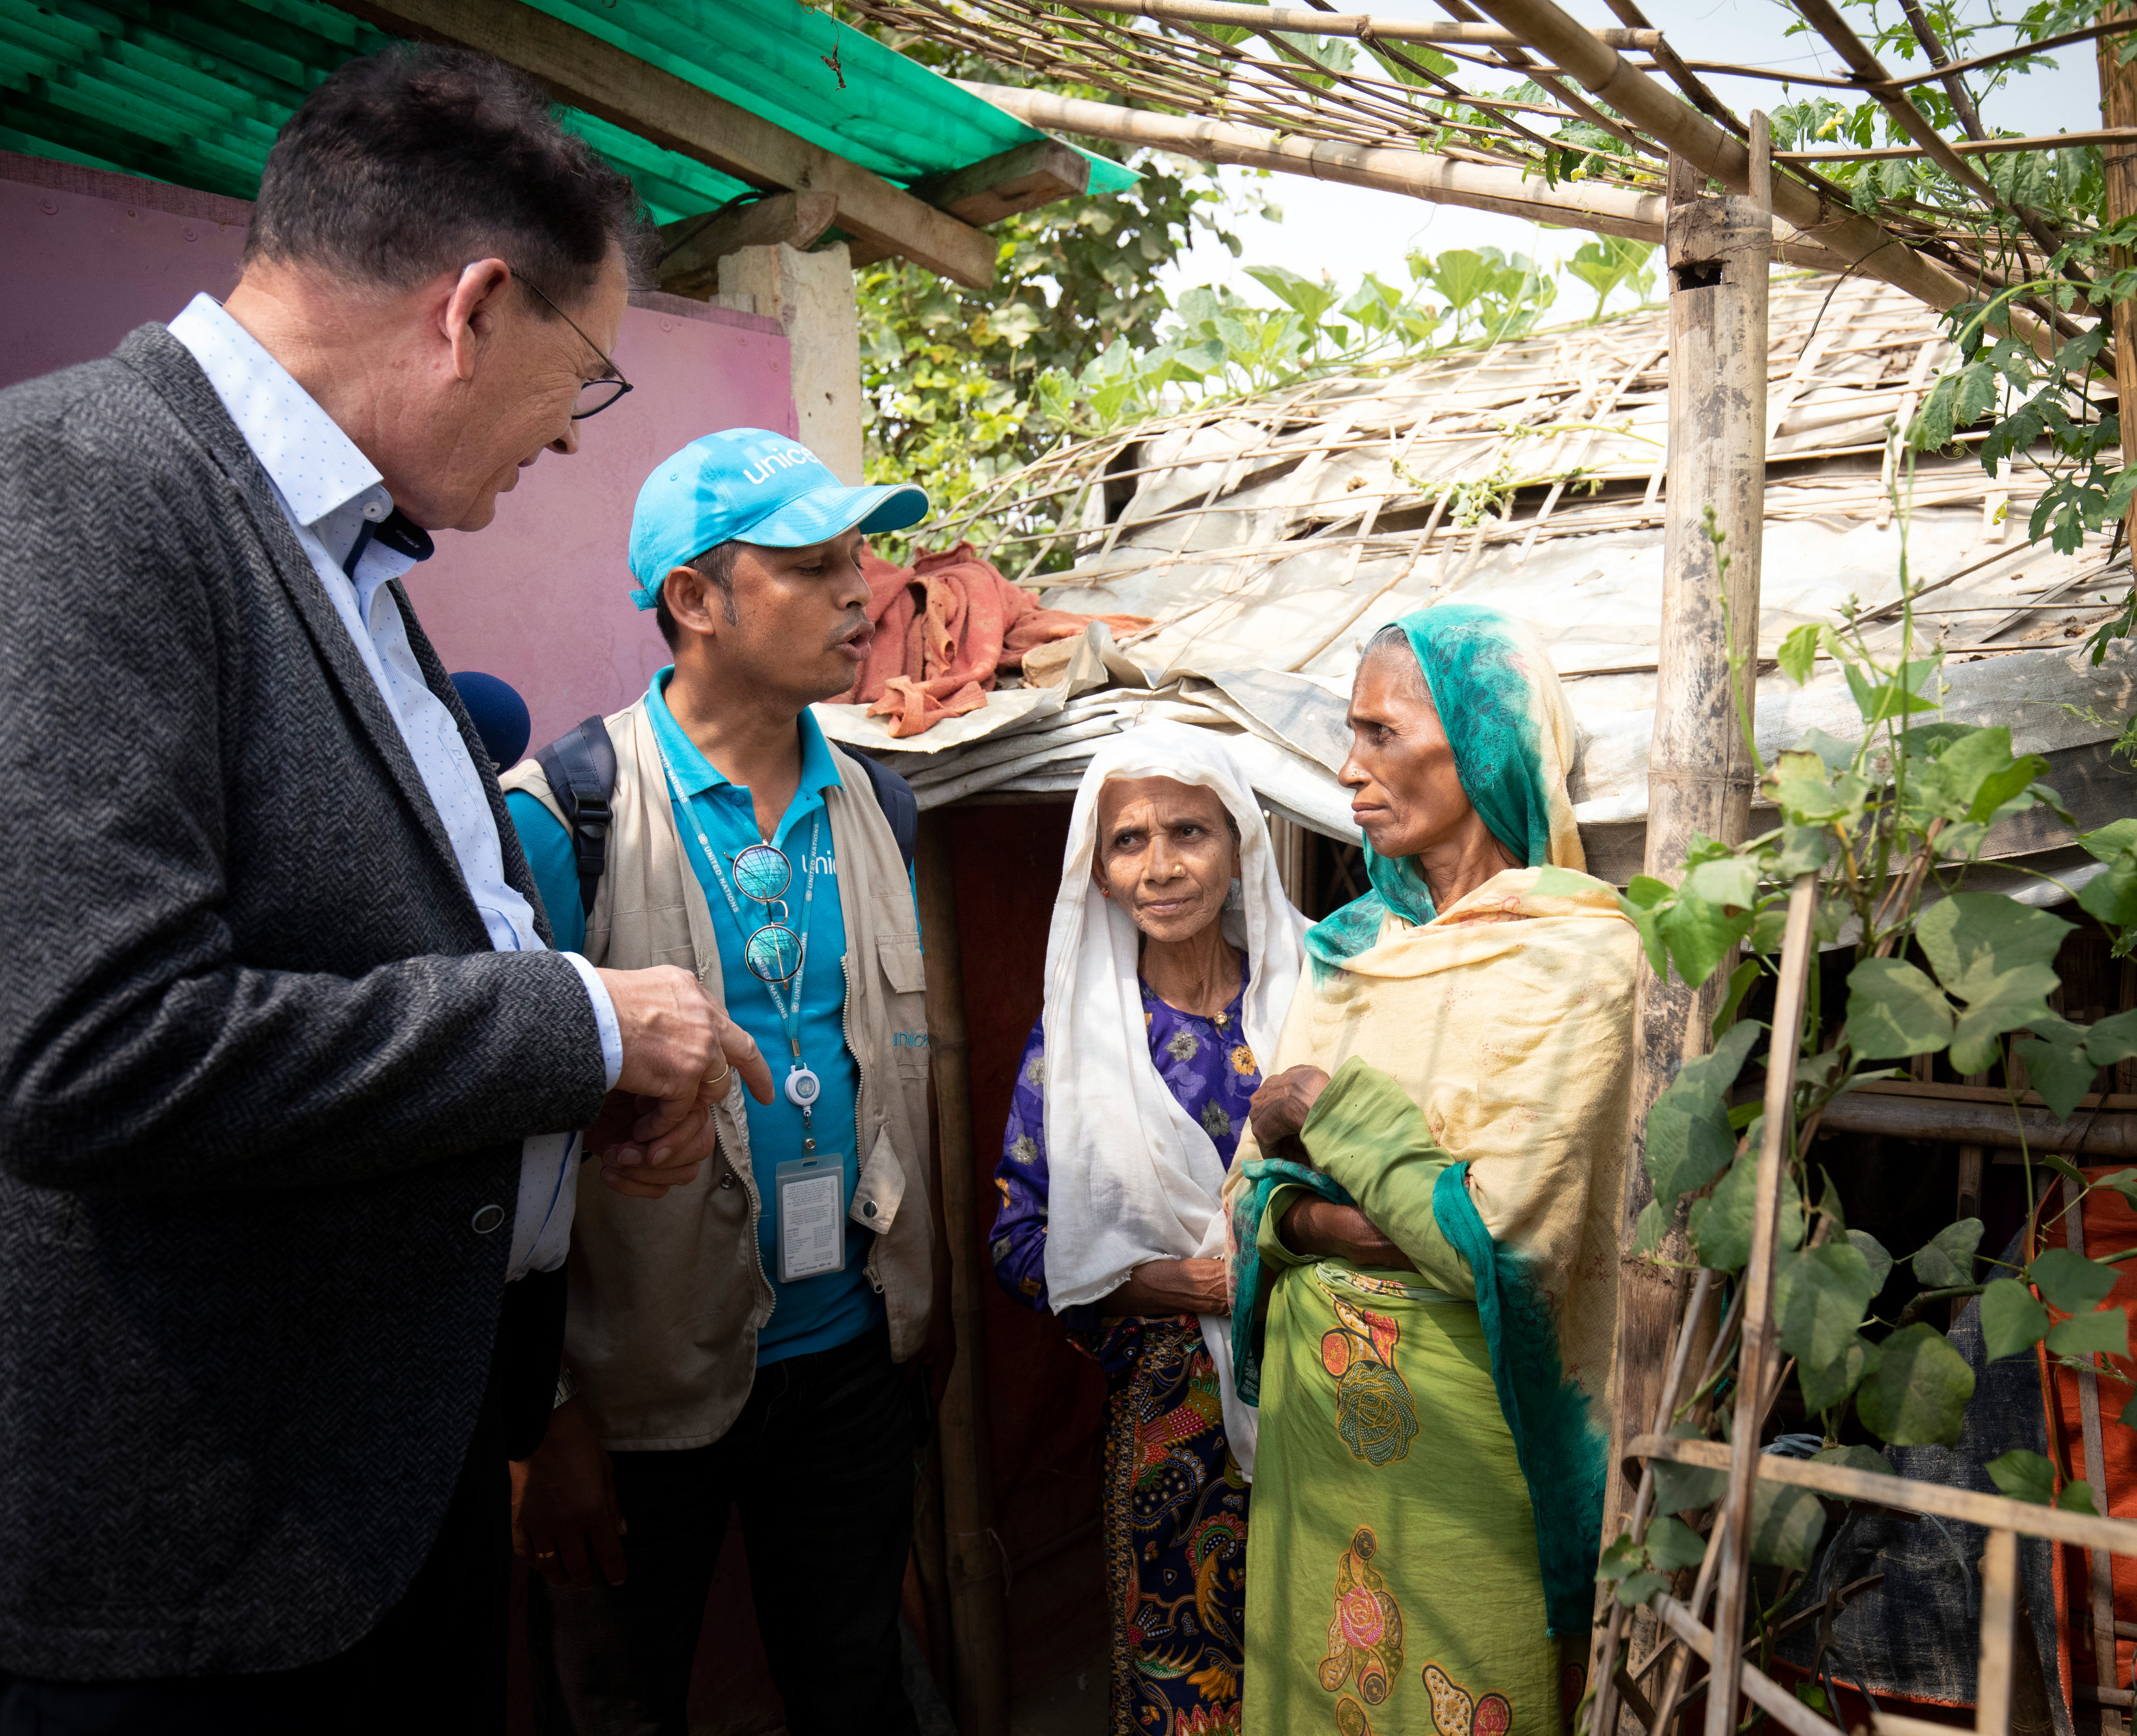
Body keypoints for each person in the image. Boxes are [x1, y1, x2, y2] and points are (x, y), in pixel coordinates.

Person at [0, 46, 767, 1735]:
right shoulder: (80, 491)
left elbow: (368, 967)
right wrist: (571, 1028)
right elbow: (86, 1043)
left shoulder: (348, 565)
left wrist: (571, 1110)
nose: (575, 432)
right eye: (587, 375)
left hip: (378, 1513)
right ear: (471, 308)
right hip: (199, 1588)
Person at [500, 427, 945, 1734]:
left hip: (853, 1358)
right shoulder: (560, 814)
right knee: (619, 1703)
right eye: (814, 566)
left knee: (852, 1687)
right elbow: (508, 1146)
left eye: (859, 557)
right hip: (632, 1390)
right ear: (695, 601)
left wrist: (917, 1321)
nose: (861, 593)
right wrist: (546, 1419)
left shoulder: (880, 804)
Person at [1222, 606, 1641, 1736]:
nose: (1350, 769)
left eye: (1382, 734)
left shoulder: (1579, 953)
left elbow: (1497, 1236)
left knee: (1470, 1687)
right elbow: (1244, 1195)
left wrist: (1320, 1112)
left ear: (1487, 749)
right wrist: (1337, 1218)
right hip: (1318, 1440)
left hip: (1471, 1444)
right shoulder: (1351, 951)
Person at [991, 721, 1311, 1735]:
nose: (1161, 867)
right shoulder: (1081, 1044)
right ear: (1096, 863)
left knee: (1342, 1661)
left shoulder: (1306, 1001)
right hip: (1173, 1430)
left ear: (1240, 844)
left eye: (1189, 831)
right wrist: (1181, 1284)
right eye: (1128, 839)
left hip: (1330, 1396)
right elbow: (1018, 1239)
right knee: (1192, 1697)